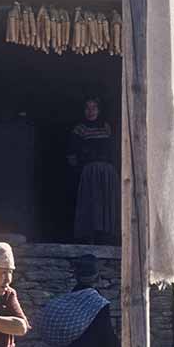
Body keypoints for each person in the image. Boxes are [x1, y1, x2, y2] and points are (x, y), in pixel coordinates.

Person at [66, 98, 119, 245]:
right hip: (89, 172)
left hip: (107, 173)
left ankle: (107, 236)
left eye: (94, 107)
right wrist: (78, 171)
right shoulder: (80, 129)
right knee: (91, 203)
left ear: (99, 110)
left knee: (107, 204)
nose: (91, 111)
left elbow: (114, 149)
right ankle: (90, 236)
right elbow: (72, 153)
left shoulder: (106, 128)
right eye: (88, 108)